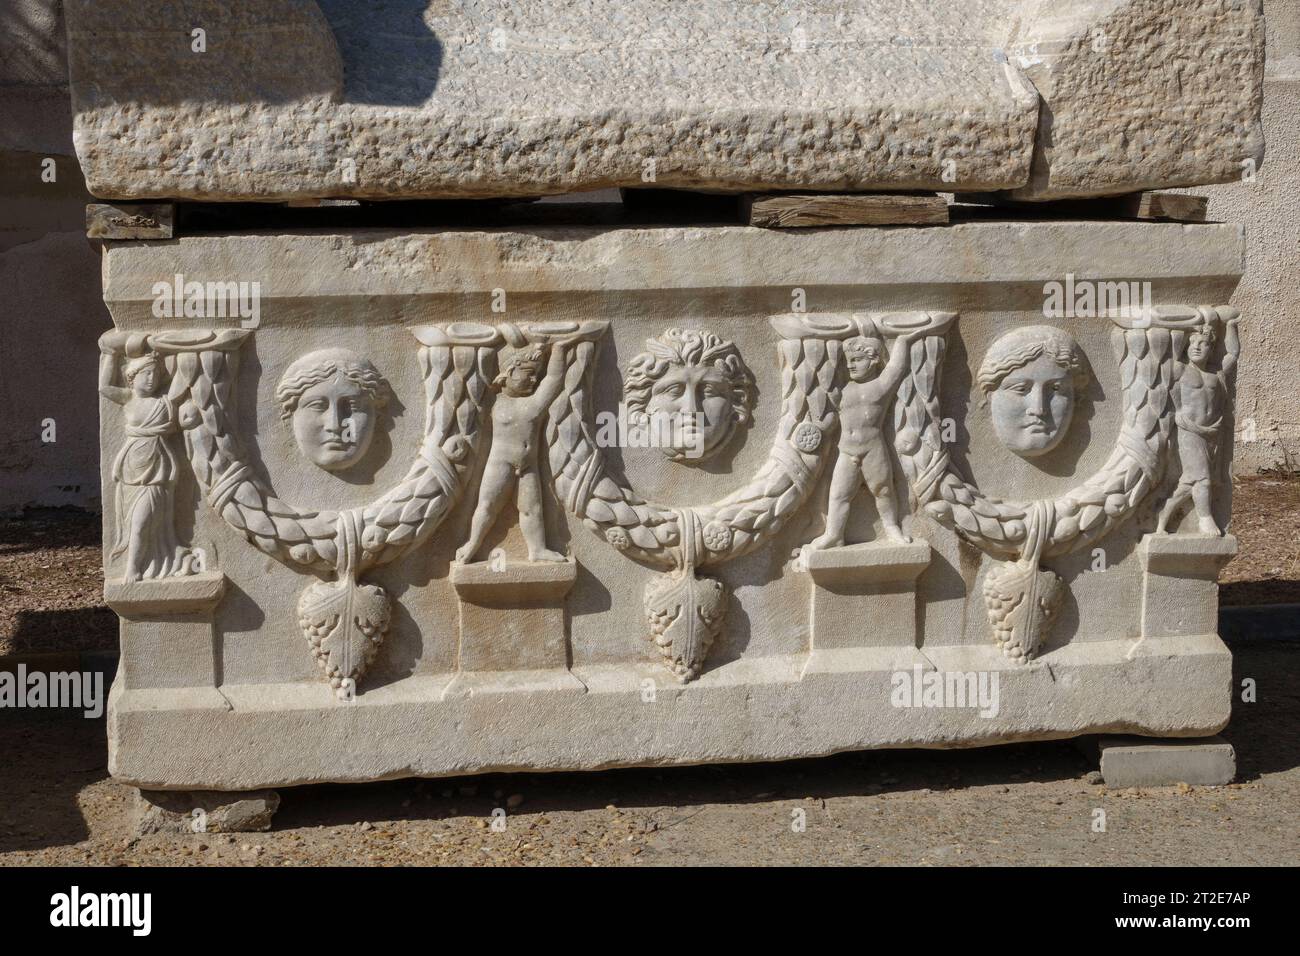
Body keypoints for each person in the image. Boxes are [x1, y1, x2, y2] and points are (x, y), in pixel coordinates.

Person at [456, 342, 569, 563]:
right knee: (487, 506)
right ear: (508, 373)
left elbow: (554, 378)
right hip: (499, 464)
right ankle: (472, 545)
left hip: (528, 468)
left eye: (536, 374)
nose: (534, 379)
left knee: (532, 508)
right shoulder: (494, 402)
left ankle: (537, 550)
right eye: (529, 373)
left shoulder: (534, 403)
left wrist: (559, 347)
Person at [812, 329, 924, 549]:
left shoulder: (880, 387)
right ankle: (834, 534)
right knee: (838, 494)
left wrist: (904, 338)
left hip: (873, 449)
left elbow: (896, 367)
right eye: (848, 361)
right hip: (846, 450)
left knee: (883, 491)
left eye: (857, 360)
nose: (851, 365)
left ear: (873, 360)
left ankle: (892, 529)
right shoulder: (842, 389)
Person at [99, 346, 191, 581]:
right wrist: (111, 354)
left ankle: (133, 568)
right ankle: (138, 563)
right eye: (146, 374)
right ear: (132, 377)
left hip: (157, 469)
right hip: (131, 467)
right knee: (132, 525)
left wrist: (180, 347)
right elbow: (104, 387)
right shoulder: (128, 398)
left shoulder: (165, 400)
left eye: (156, 374)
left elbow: (182, 375)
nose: (152, 380)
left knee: (142, 523)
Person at [1157, 313, 1240, 535]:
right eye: (1192, 343)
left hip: (1213, 434)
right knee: (1202, 478)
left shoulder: (1217, 375)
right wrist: (1187, 321)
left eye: (1203, 344)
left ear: (1212, 350)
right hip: (1189, 432)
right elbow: (1167, 355)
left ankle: (1160, 519)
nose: (1197, 347)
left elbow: (1232, 354)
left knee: (1189, 483)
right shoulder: (1180, 370)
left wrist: (1231, 325)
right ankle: (1205, 519)